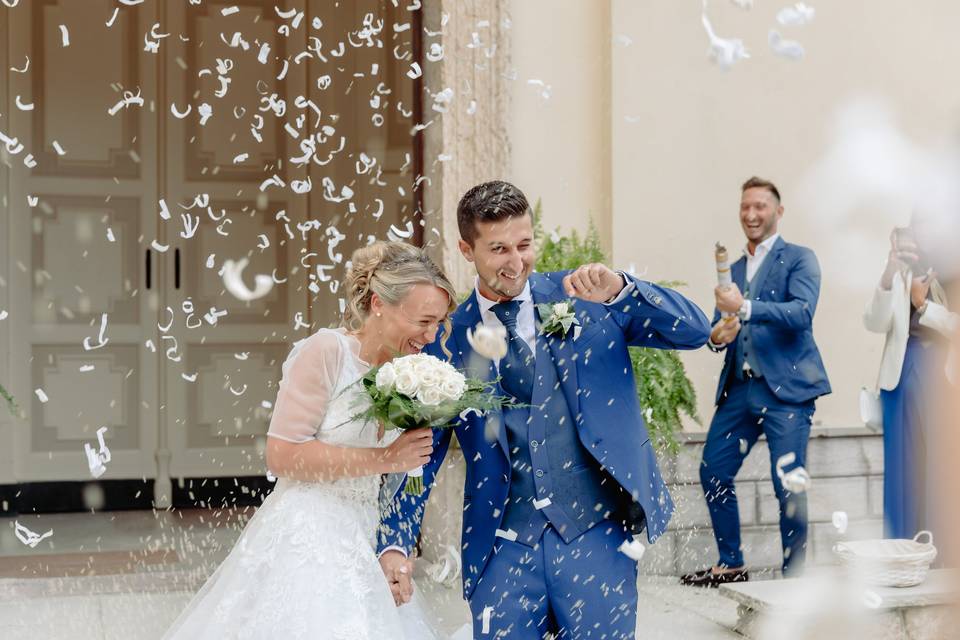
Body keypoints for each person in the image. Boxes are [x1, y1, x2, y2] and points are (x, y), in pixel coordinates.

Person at [378, 180, 711, 638]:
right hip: (500, 545)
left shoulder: (588, 297)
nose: (516, 263)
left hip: (596, 534)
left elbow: (696, 330)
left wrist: (623, 290)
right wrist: (396, 539)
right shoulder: (448, 337)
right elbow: (421, 452)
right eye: (498, 249)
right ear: (465, 248)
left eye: (524, 244)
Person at [163, 241, 456, 639]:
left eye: (439, 322)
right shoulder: (326, 352)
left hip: (366, 532)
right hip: (310, 533)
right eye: (423, 320)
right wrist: (385, 458)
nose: (432, 334)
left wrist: (394, 548)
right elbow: (282, 455)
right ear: (379, 303)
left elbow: (408, 476)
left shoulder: (413, 371)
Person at [681, 177, 831, 587]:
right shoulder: (734, 269)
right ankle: (731, 562)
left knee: (789, 486)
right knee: (713, 470)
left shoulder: (800, 258)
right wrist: (716, 336)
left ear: (778, 212)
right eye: (745, 206)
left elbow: (801, 313)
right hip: (740, 388)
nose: (751, 214)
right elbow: (721, 324)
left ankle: (795, 580)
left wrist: (744, 306)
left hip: (788, 391)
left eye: (760, 206)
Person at [864, 219, 956, 539]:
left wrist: (923, 304)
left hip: (943, 372)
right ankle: (901, 549)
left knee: (941, 471)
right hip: (900, 371)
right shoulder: (905, 270)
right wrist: (890, 274)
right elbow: (874, 322)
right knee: (901, 470)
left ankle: (943, 554)